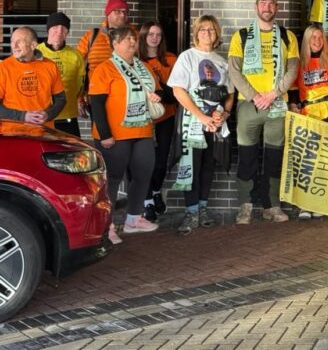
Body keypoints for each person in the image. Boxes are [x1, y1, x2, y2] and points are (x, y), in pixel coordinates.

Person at [228, 0, 300, 225]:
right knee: (247, 155)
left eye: (271, 4)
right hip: (248, 104)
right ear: (256, 7)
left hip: (277, 104)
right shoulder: (241, 35)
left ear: (276, 8)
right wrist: (255, 96)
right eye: (263, 3)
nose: (267, 7)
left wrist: (273, 94)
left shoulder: (288, 36)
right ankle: (245, 206)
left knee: (274, 156)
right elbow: (234, 71)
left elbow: (293, 70)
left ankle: (272, 205)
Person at [89, 26, 164, 242]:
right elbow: (97, 104)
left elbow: (158, 89)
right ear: (115, 44)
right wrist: (105, 134)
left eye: (134, 39)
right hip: (115, 134)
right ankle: (108, 226)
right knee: (112, 179)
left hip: (142, 130)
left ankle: (133, 219)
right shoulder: (105, 68)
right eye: (126, 39)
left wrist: (157, 96)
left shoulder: (143, 67)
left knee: (142, 174)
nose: (132, 42)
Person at [167, 15, 233, 236]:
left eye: (211, 29)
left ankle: (203, 208)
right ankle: (191, 211)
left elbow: (230, 94)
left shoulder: (222, 61)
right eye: (203, 29)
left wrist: (224, 114)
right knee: (191, 166)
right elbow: (178, 90)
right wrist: (201, 116)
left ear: (217, 34)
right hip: (192, 122)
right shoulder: (187, 57)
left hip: (214, 124)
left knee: (208, 166)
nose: (207, 33)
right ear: (196, 33)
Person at [291, 23, 328, 220]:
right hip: (307, 113)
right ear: (306, 41)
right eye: (313, 37)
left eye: (320, 37)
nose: (316, 41)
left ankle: (320, 203)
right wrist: (293, 105)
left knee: (324, 160)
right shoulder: (299, 63)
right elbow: (293, 89)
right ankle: (305, 204)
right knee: (306, 160)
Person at [138, 21, 178, 223]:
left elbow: (175, 92)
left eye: (158, 35)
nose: (154, 38)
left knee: (161, 161)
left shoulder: (170, 59)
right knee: (144, 161)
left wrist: (159, 90)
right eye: (150, 34)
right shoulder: (135, 60)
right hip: (142, 118)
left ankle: (155, 191)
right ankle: (147, 202)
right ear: (143, 36)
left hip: (166, 116)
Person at [0, 27, 66, 127]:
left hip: (43, 131)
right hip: (12, 132)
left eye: (19, 41)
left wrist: (48, 114)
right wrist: (23, 116)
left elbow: (61, 99)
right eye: (12, 41)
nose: (14, 45)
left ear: (33, 45)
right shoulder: (3, 68)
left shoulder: (50, 66)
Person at [37, 12, 84, 137]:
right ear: (48, 29)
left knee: (72, 149)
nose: (59, 31)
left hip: (68, 117)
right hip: (42, 117)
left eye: (64, 27)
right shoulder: (35, 53)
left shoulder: (75, 55)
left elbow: (79, 85)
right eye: (55, 27)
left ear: (67, 32)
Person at [77, 0, 131, 85]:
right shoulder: (91, 35)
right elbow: (76, 63)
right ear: (108, 14)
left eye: (125, 12)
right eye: (117, 11)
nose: (122, 15)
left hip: (125, 90)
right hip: (96, 89)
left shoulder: (135, 36)